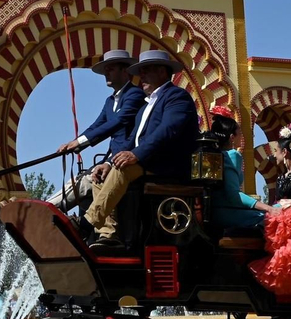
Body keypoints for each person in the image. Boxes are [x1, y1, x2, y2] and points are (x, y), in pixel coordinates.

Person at [82, 50, 200, 250]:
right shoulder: (146, 106)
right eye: (141, 71)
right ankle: (109, 235)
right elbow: (131, 140)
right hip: (147, 163)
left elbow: (166, 131)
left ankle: (86, 224)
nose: (141, 76)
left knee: (123, 170)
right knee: (101, 174)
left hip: (166, 166)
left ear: (162, 72)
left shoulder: (177, 97)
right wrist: (108, 163)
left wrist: (136, 154)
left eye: (146, 71)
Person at [56, 49, 145, 209]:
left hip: (125, 158)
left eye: (110, 68)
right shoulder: (110, 101)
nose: (106, 73)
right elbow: (96, 126)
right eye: (105, 69)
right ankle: (41, 208)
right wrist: (76, 143)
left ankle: (42, 210)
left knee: (85, 181)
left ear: (124, 70)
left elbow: (118, 121)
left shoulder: (134, 94)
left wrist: (80, 141)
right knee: (78, 179)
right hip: (112, 158)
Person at [203, 105, 265, 232]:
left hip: (213, 212)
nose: (242, 138)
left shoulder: (213, 154)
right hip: (228, 214)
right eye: (240, 134)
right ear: (232, 137)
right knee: (273, 218)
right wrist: (267, 208)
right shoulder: (233, 155)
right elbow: (233, 195)